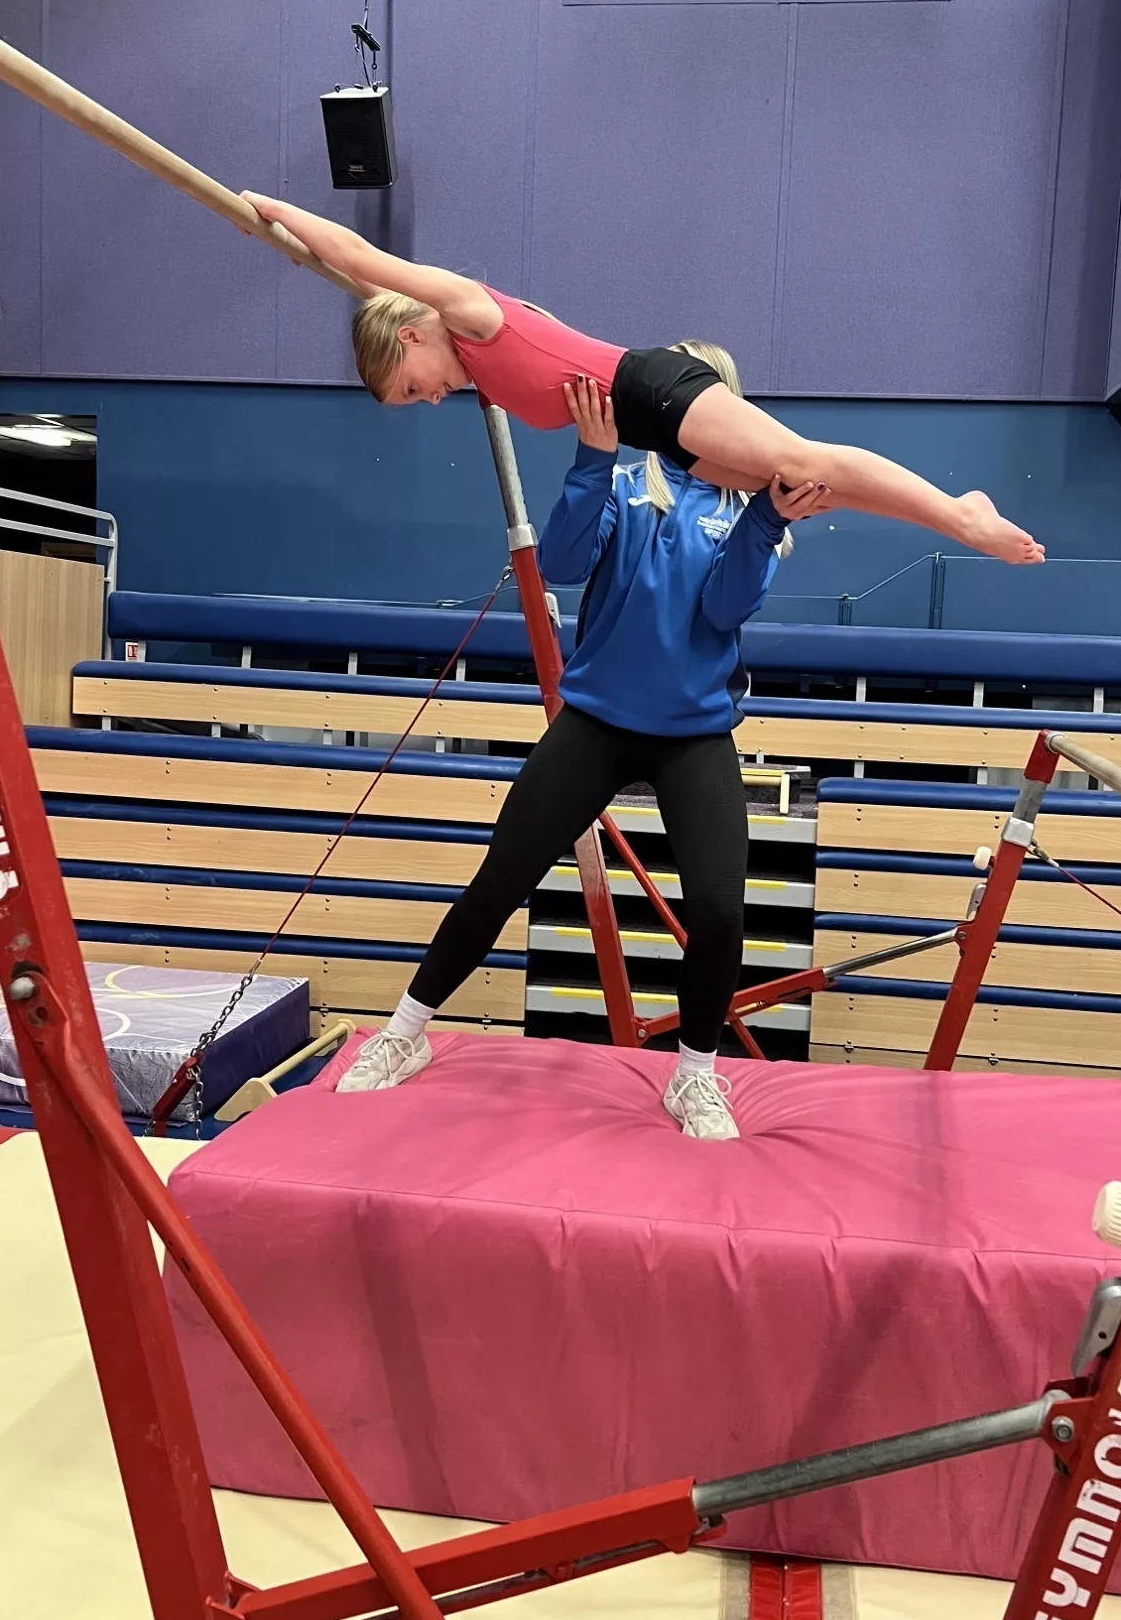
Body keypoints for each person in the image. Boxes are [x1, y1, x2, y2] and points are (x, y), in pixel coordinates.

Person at [337, 346, 821, 1140]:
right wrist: (592, 460)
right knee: (500, 880)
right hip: (597, 722)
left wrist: (768, 518)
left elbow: (724, 610)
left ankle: (694, 1076)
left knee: (719, 912)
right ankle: (406, 1031)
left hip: (694, 734)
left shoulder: (748, 514)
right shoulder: (626, 487)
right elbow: (560, 563)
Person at [239, 192, 1045, 565]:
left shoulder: (470, 314)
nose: (429, 399)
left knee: (805, 459)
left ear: (412, 332)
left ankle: (961, 516)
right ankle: (944, 518)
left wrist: (272, 213)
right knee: (801, 491)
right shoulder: (473, 364)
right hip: (650, 431)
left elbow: (360, 260)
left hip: (651, 388)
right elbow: (358, 282)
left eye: (413, 386)